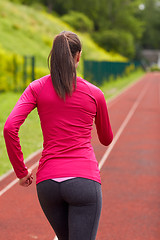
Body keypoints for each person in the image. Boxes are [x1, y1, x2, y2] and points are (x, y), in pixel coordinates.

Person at [3, 31, 113, 240]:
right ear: (78, 56)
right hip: (83, 180)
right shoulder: (94, 93)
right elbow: (106, 139)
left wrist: (21, 171)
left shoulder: (36, 88)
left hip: (48, 184)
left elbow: (9, 128)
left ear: (54, 55)